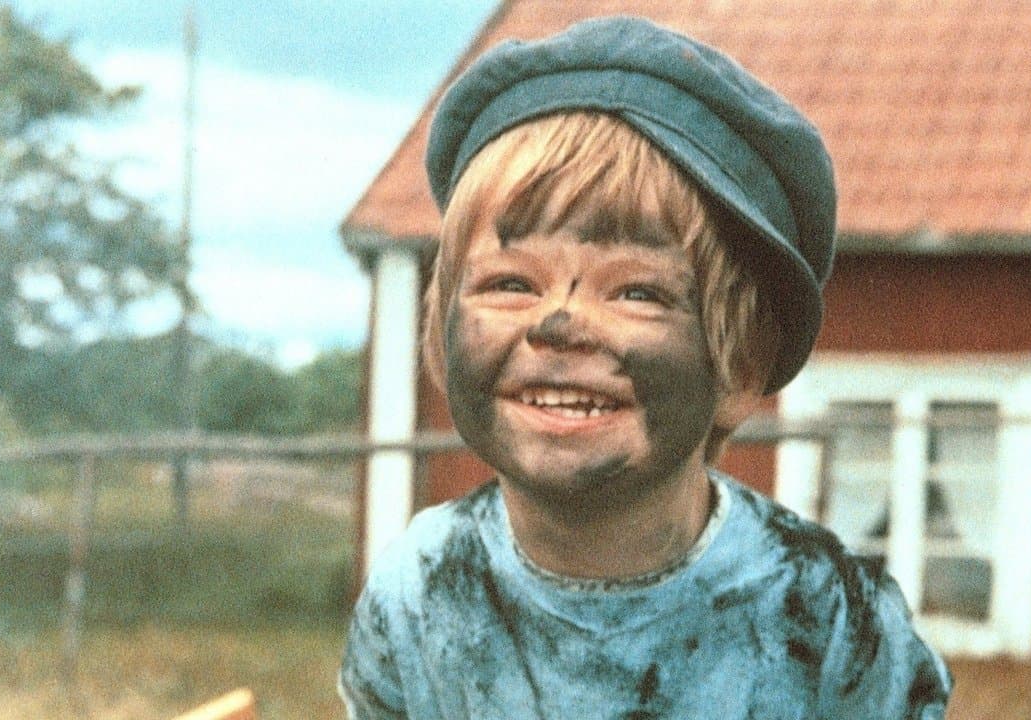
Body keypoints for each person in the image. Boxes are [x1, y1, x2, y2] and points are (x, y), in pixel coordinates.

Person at [340, 15, 952, 719]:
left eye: (636, 292)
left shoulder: (831, 620)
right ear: (441, 336)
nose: (559, 323)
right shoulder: (418, 597)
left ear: (740, 364)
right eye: (511, 283)